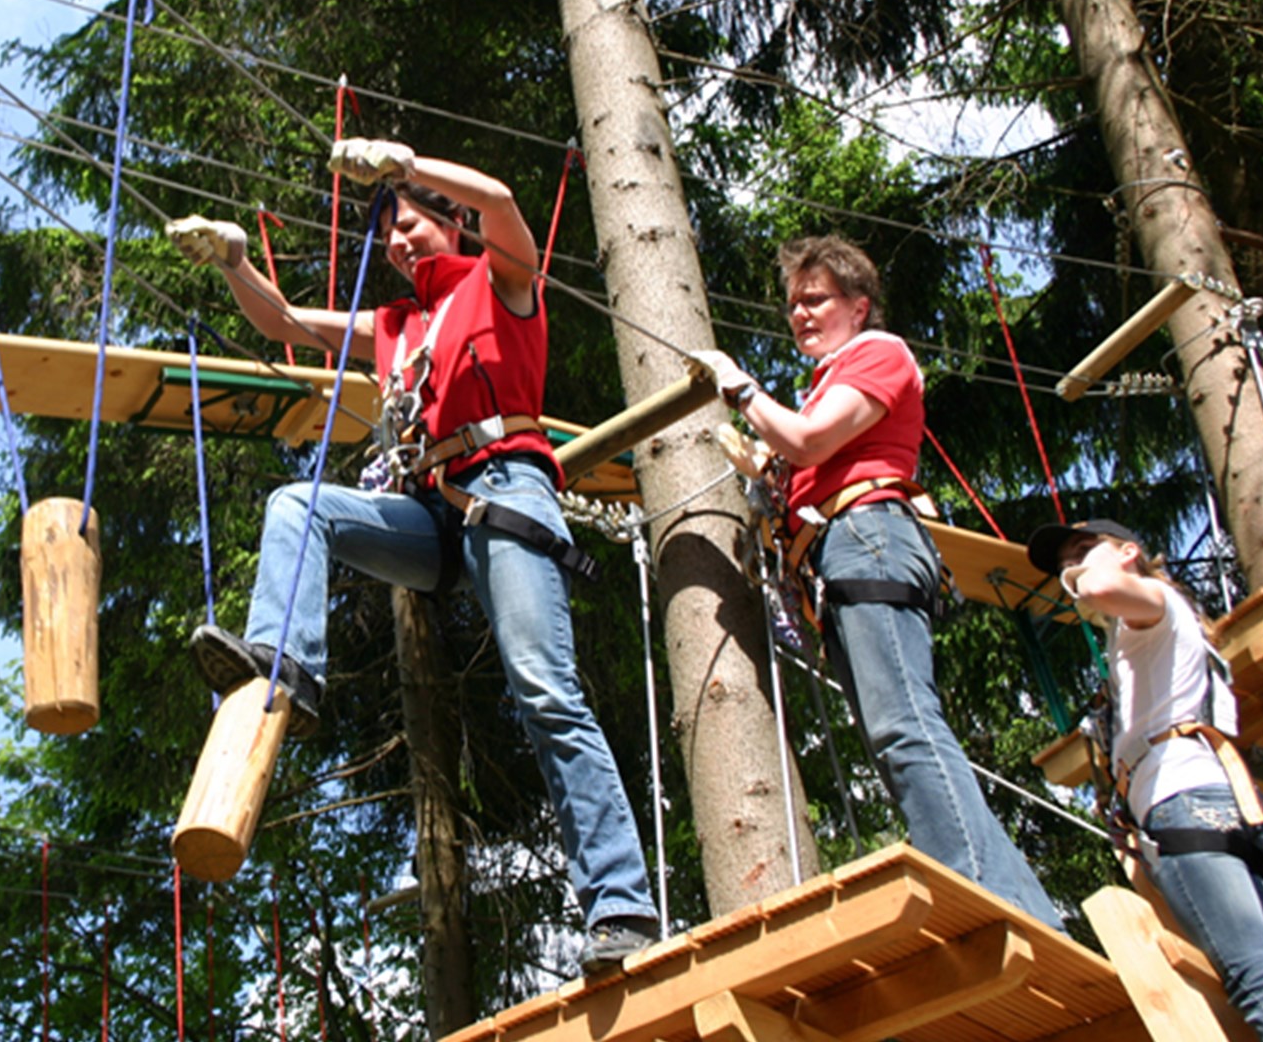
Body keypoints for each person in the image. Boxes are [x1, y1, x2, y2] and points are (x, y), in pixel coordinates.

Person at [165, 138, 659, 974]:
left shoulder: (500, 282)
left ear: (449, 221)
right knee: (298, 505)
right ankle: (286, 666)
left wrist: (408, 167)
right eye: (387, 235)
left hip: (504, 490)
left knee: (545, 690)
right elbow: (284, 324)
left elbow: (501, 200)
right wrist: (237, 262)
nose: (397, 242)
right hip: (432, 513)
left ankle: (622, 907)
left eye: (410, 224)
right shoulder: (393, 326)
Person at [692, 234, 1062, 929]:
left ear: (859, 306)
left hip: (869, 537)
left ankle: (984, 896)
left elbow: (809, 441)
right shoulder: (827, 383)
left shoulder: (878, 354)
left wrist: (739, 388)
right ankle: (1016, 904)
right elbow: (805, 452)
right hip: (842, 553)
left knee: (904, 727)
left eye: (816, 300)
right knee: (895, 736)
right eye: (793, 304)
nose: (800, 314)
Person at [1027, 519, 1263, 1038]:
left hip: (1182, 799)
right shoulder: (1157, 626)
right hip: (1218, 800)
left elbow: (1100, 587)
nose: (1072, 566)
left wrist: (1079, 579)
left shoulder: (1154, 603)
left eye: (1084, 550)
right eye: (1066, 562)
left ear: (1128, 552)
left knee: (1257, 976)